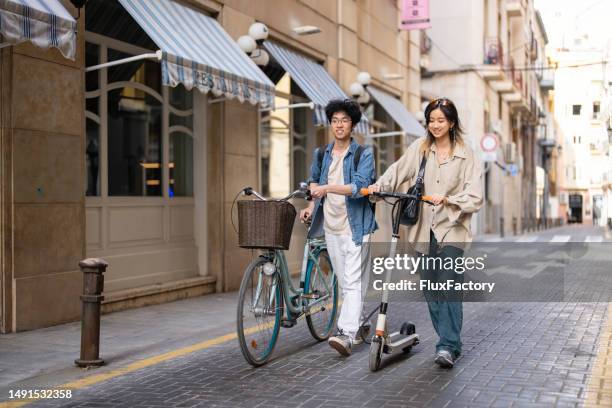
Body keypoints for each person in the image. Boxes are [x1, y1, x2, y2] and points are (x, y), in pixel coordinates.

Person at [368, 97, 483, 368]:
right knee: (431, 288)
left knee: (449, 286)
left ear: (452, 122)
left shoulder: (466, 153)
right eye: (431, 120)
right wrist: (378, 186)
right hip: (422, 229)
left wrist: (449, 200)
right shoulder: (419, 148)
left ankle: (448, 346)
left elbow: (475, 197)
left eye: (441, 120)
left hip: (453, 228)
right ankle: (447, 339)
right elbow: (398, 171)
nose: (435, 125)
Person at [300, 99, 377, 357]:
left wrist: (328, 187)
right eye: (335, 120)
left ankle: (345, 334)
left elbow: (358, 187)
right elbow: (314, 182)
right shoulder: (321, 154)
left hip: (357, 226)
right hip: (332, 226)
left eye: (344, 120)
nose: (339, 125)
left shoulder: (362, 154)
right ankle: (360, 320)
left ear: (352, 124)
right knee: (345, 283)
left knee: (353, 281)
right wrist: (311, 206)